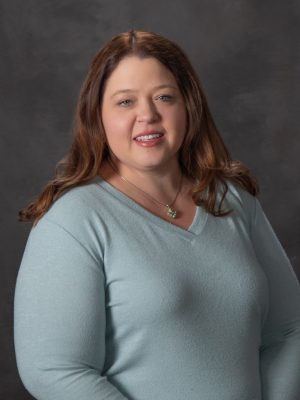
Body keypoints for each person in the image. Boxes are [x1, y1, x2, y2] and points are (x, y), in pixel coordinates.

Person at [14, 29, 300, 400]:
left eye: (164, 97)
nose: (147, 115)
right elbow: (54, 370)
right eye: (125, 102)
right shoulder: (72, 220)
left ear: (188, 107)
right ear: (96, 116)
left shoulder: (233, 199)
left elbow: (289, 330)